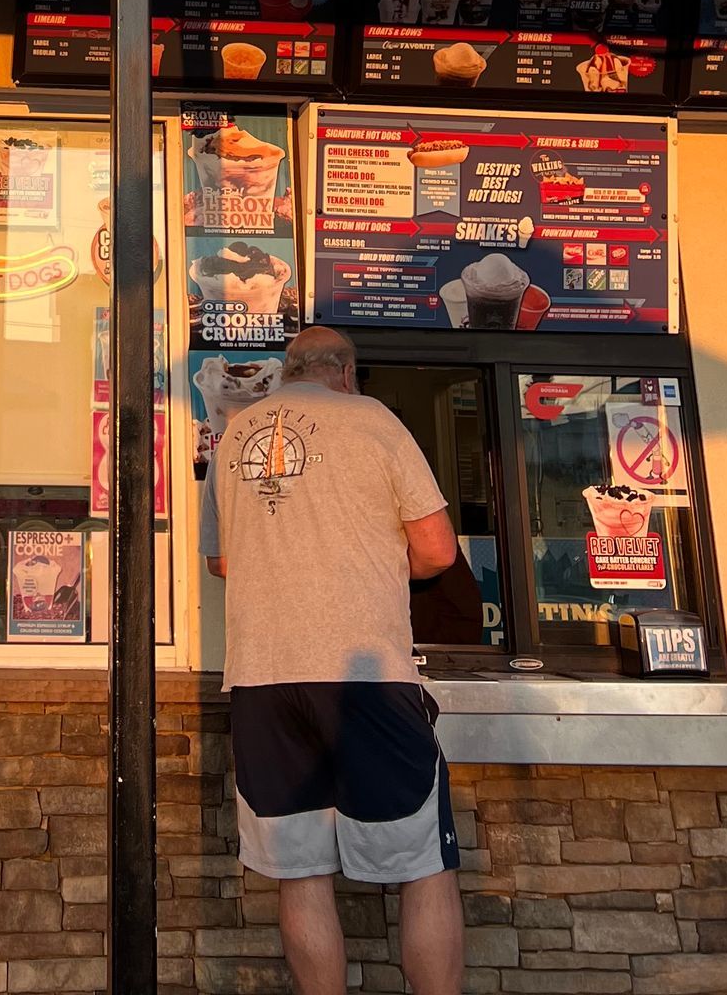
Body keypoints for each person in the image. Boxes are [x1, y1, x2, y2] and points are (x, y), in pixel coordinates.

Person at [203, 327, 464, 995]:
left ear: (287, 373)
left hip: (262, 678)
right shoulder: (372, 420)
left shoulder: (236, 433)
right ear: (346, 373)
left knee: (300, 869)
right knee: (423, 865)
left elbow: (224, 561)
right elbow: (436, 551)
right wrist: (369, 565)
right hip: (363, 678)